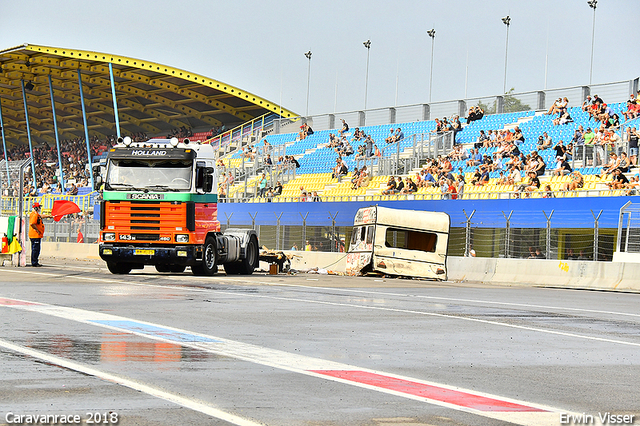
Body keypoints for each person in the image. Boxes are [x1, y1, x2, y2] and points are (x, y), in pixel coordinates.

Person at [29, 202, 46, 267]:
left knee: (36, 249)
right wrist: (37, 230)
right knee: (35, 249)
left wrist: (49, 216)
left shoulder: (36, 214)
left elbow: (41, 216)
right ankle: (34, 262)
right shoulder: (35, 215)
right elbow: (32, 223)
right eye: (39, 207)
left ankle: (35, 261)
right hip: (35, 235)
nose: (40, 208)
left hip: (36, 235)